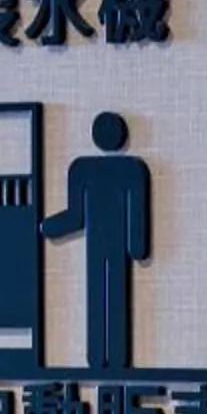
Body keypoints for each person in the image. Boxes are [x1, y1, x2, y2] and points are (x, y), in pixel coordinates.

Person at [40, 111, 151, 370]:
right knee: (114, 292)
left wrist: (49, 227)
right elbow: (135, 215)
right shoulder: (130, 169)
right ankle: (113, 357)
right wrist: (137, 246)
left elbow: (75, 216)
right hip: (115, 245)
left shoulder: (83, 169)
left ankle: (100, 357)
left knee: (98, 295)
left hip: (99, 245)